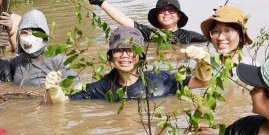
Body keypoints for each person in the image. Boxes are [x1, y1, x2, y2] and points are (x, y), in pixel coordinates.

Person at [46, 26, 179, 102]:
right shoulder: (102, 88)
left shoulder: (161, 79)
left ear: (140, 56)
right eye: (119, 50)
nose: (125, 55)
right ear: (110, 57)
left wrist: (200, 65)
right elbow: (65, 102)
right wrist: (54, 91)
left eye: (131, 50)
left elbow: (198, 82)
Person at [87, 0, 207, 45]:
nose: (166, 13)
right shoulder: (149, 33)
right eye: (162, 10)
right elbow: (123, 19)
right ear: (156, 16)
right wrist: (101, 2)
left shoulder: (189, 36)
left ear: (179, 16)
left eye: (171, 10)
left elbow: (212, 42)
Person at [183, 5, 254, 90]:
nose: (220, 37)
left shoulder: (252, 68)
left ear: (241, 37)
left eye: (227, 31)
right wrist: (203, 68)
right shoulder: (206, 62)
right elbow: (192, 88)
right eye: (215, 31)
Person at [7, 9, 76, 86]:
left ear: (44, 35)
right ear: (18, 35)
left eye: (36, 33)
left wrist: (58, 88)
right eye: (25, 33)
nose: (30, 38)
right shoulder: (17, 61)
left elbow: (77, 86)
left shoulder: (58, 61)